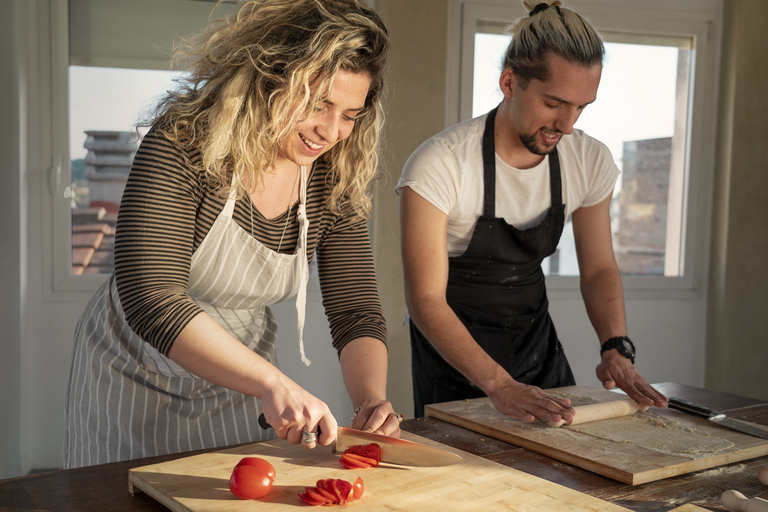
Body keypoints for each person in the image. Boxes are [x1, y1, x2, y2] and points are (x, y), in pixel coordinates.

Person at [64, 0, 400, 469]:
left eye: (349, 114)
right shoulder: (184, 142)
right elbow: (151, 295)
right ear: (271, 79)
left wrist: (371, 399)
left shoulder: (334, 177)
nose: (330, 131)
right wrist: (274, 383)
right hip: (132, 366)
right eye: (317, 104)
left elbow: (355, 307)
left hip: (240, 378)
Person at [397, 0, 669, 423]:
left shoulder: (588, 160)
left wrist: (616, 345)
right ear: (509, 82)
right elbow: (425, 299)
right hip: (455, 361)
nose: (568, 124)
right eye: (555, 103)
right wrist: (499, 385)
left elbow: (598, 268)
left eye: (582, 107)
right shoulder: (441, 164)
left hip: (538, 352)